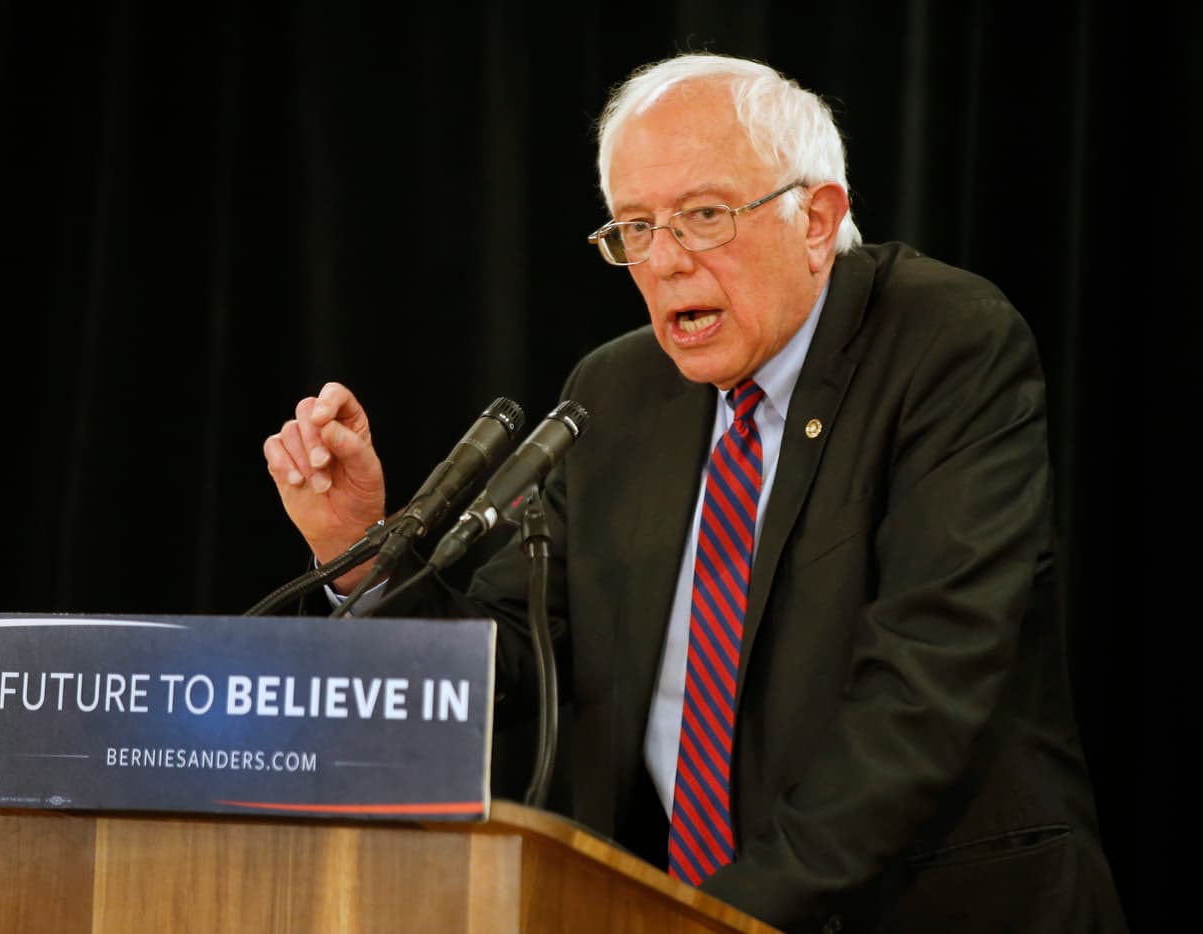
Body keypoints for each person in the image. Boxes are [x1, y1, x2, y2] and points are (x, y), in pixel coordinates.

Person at [262, 52, 1127, 934]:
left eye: (704, 216)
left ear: (817, 219)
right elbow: (512, 657)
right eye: (636, 227)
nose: (666, 261)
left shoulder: (944, 344)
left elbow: (925, 687)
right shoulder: (617, 392)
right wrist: (359, 550)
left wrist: (713, 919)